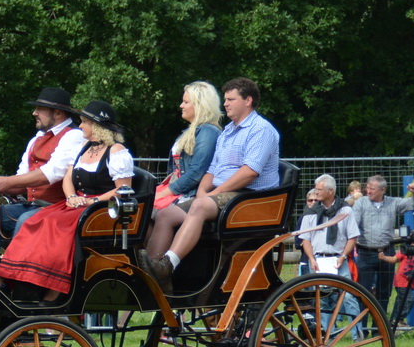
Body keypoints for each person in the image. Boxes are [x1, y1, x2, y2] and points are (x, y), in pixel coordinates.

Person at [140, 78, 279, 291]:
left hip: (249, 197)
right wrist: (204, 191)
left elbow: (249, 172)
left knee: (200, 205)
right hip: (222, 196)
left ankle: (168, 264)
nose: (225, 104)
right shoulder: (227, 132)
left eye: (231, 99)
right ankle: (152, 276)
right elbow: (212, 170)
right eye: (225, 99)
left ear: (248, 100)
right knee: (166, 214)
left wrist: (211, 195)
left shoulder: (262, 130)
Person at [0, 100, 133, 302]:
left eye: (84, 122)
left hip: (100, 210)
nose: (80, 126)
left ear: (98, 126)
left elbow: (123, 190)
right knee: (34, 220)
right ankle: (12, 274)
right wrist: (72, 196)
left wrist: (91, 202)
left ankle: (51, 287)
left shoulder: (117, 151)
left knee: (55, 224)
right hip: (76, 205)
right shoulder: (84, 147)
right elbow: (68, 178)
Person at [0, 87, 84, 274]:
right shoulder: (37, 139)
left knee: (25, 219)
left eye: (39, 108)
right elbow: (21, 180)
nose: (34, 113)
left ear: (57, 112)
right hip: (33, 206)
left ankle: (12, 277)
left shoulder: (74, 135)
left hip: (59, 208)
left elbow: (52, 173)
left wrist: (6, 182)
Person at [155, 81, 223, 212]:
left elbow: (196, 172)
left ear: (200, 105)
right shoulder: (194, 131)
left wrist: (163, 194)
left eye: (186, 102)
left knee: (151, 214)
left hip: (188, 194)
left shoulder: (208, 132)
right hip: (177, 188)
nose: (181, 106)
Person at [346, 176, 408, 317]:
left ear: (382, 190)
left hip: (387, 252)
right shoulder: (361, 203)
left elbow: (413, 204)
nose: (368, 191)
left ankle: (379, 328)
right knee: (364, 291)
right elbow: (353, 224)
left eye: (372, 189)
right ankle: (362, 329)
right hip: (366, 253)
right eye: (367, 188)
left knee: (384, 292)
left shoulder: (393, 202)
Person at [297, 174, 353, 279]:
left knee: (348, 295)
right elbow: (305, 239)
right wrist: (312, 259)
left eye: (319, 189)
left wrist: (343, 257)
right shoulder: (310, 213)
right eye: (316, 189)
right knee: (319, 294)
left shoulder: (345, 210)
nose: (316, 192)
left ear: (330, 191)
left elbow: (352, 236)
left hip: (339, 260)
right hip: (316, 261)